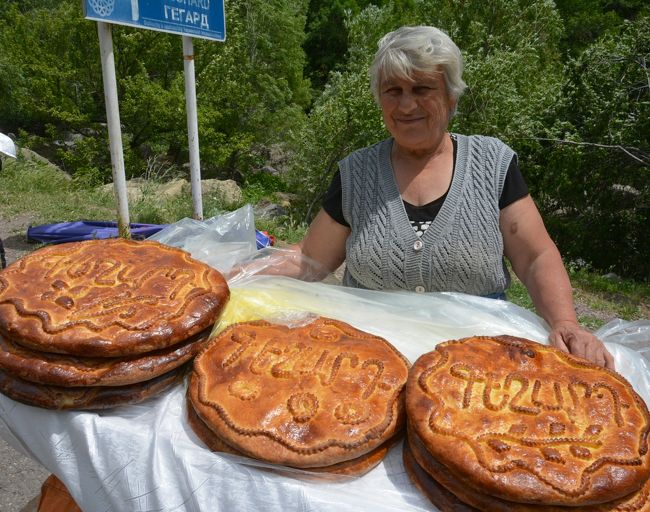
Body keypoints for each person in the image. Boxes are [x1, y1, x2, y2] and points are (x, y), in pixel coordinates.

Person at [235, 25, 614, 370]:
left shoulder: (492, 164)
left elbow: (535, 257)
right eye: (393, 91)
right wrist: (233, 277)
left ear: (450, 97)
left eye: (421, 89)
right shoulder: (357, 172)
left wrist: (566, 324)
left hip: (480, 363)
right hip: (369, 363)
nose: (406, 106)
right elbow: (310, 259)